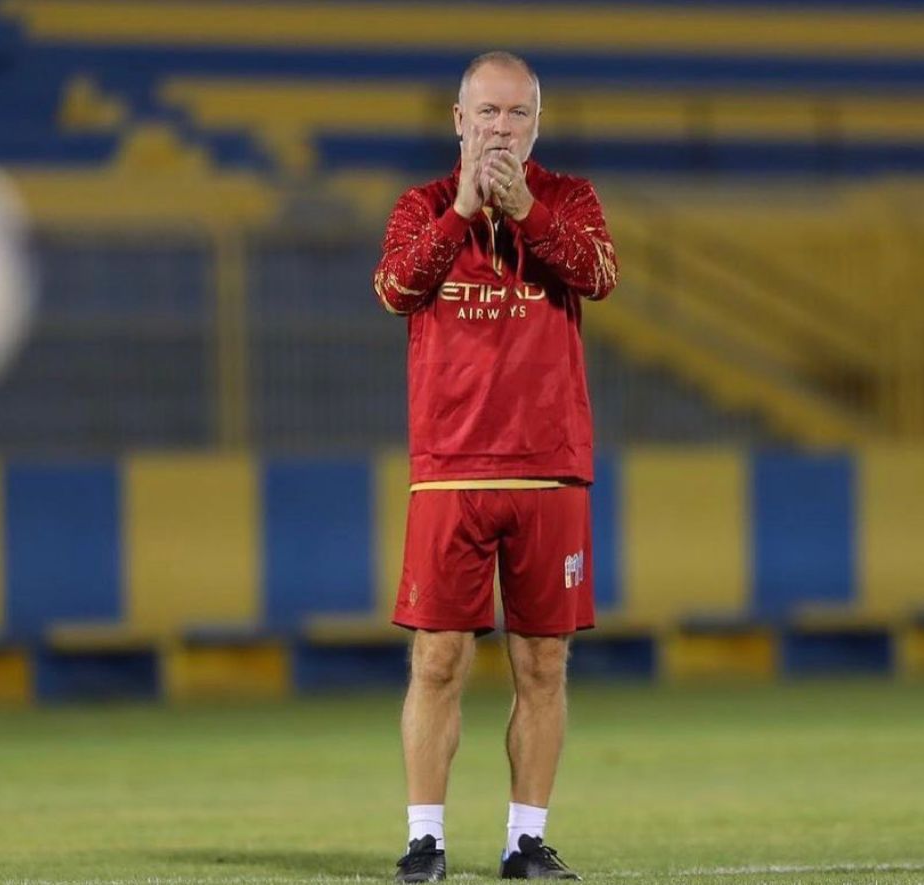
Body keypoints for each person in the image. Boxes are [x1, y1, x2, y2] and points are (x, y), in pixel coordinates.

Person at [372, 51, 618, 882]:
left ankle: (525, 841)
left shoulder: (570, 199)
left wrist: (528, 214)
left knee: (543, 662)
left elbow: (601, 275)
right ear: (458, 120)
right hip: (450, 469)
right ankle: (425, 839)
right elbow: (395, 289)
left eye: (517, 114)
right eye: (487, 114)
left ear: (537, 123)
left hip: (549, 467)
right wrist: (465, 215)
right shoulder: (423, 206)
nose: (501, 129)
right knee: (436, 659)